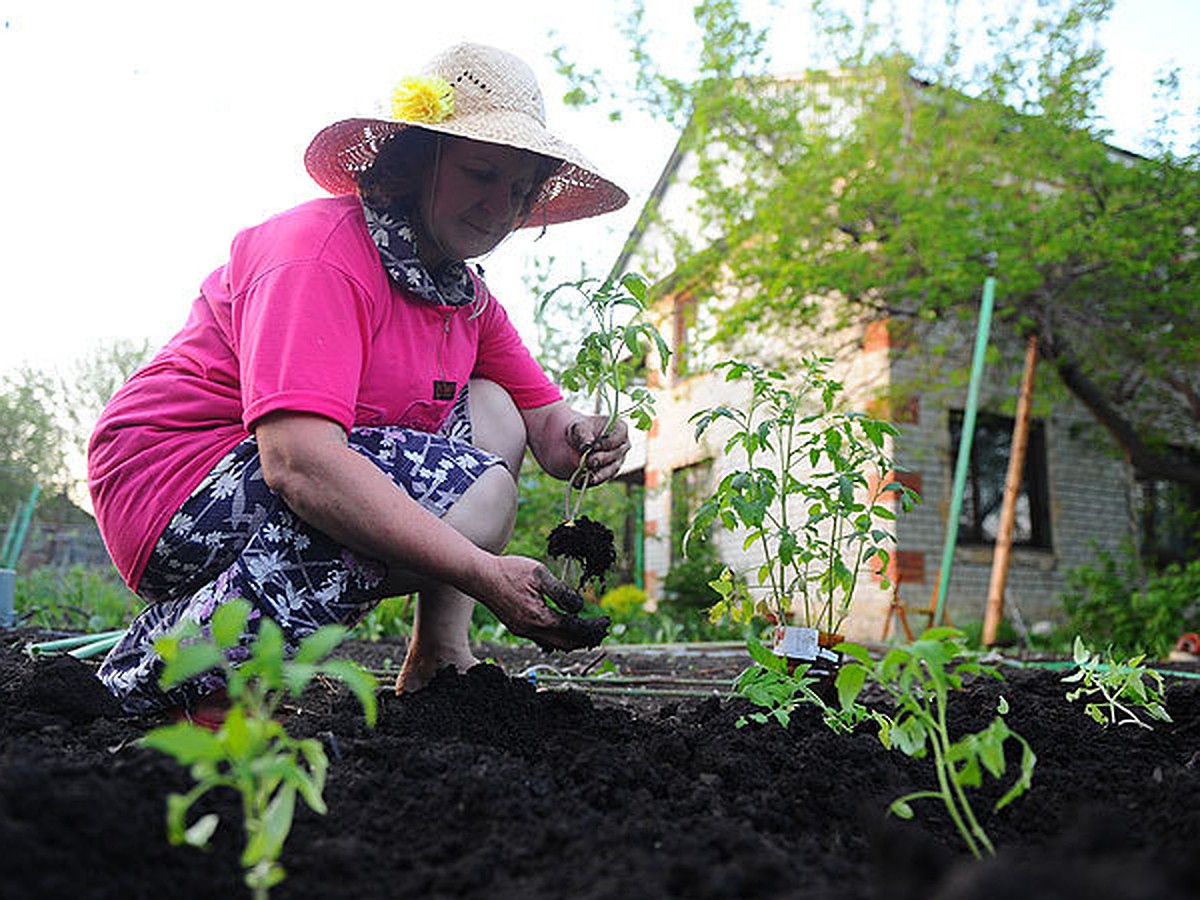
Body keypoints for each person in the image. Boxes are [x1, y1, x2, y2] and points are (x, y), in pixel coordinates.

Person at [89, 42, 631, 715]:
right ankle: (173, 673)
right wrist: (483, 573)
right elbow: (299, 464)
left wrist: (587, 434)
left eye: (520, 192)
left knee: (492, 408)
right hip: (175, 481)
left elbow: (547, 429)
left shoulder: (462, 298)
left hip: (268, 481)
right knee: (477, 495)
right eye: (482, 173)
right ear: (418, 160)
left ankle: (440, 658)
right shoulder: (320, 255)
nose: (500, 208)